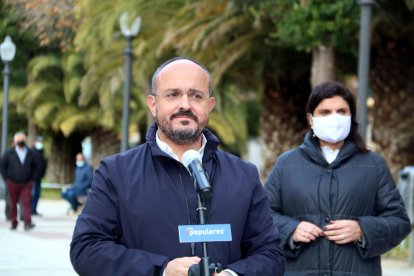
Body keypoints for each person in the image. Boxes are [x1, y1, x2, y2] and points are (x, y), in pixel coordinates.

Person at [70, 57, 285, 276]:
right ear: (153, 104)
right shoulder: (116, 173)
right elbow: (86, 249)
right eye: (173, 94)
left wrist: (233, 275)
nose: (185, 105)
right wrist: (161, 269)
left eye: (196, 95)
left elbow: (271, 254)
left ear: (210, 106)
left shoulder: (243, 175)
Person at [264, 81, 411, 275]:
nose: (335, 118)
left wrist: (362, 230)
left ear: (351, 117)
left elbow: (399, 222)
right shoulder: (286, 164)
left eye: (342, 111)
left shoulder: (374, 165)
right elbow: (261, 217)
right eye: (325, 112)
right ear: (311, 119)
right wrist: (291, 230)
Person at [0, 132, 38, 230]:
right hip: (12, 182)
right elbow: (2, 166)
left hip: (26, 183)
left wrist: (32, 178)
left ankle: (27, 222)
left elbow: (35, 166)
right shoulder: (9, 153)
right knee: (12, 204)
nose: (21, 141)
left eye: (22, 139)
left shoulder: (30, 153)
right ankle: (14, 222)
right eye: (19, 139)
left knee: (26, 203)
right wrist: (6, 179)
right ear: (15, 141)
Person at [31, 136, 47, 216]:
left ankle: (34, 210)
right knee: (32, 194)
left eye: (41, 142)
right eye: (38, 142)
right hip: (33, 178)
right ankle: (30, 209)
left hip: (39, 177)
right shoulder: (31, 152)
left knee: (37, 194)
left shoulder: (41, 152)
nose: (40, 143)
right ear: (34, 143)